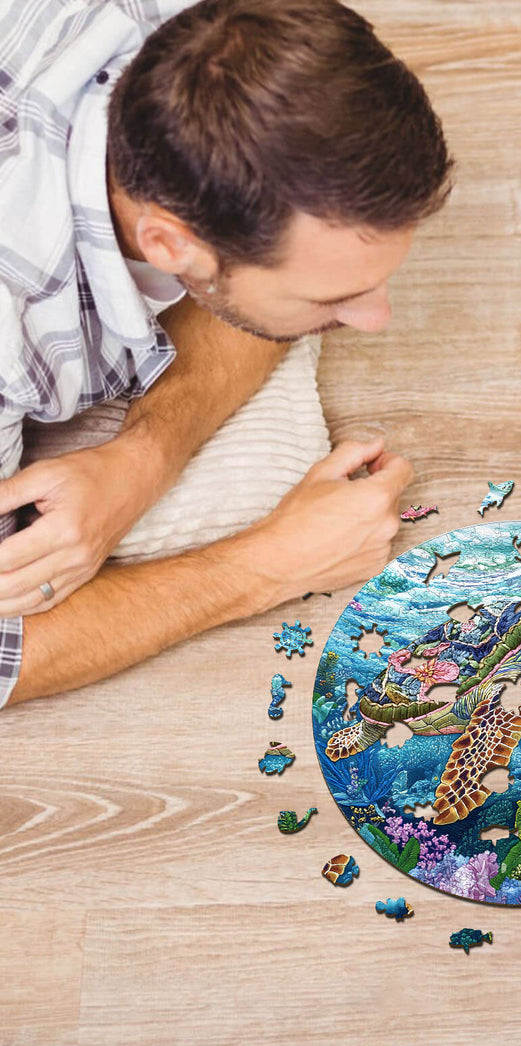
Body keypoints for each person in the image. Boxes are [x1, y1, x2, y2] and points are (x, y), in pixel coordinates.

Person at [0, 0, 452, 705]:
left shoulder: (242, 32)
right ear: (170, 246)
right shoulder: (10, 323)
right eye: (328, 298)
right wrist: (270, 564)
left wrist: (140, 463)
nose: (378, 319)